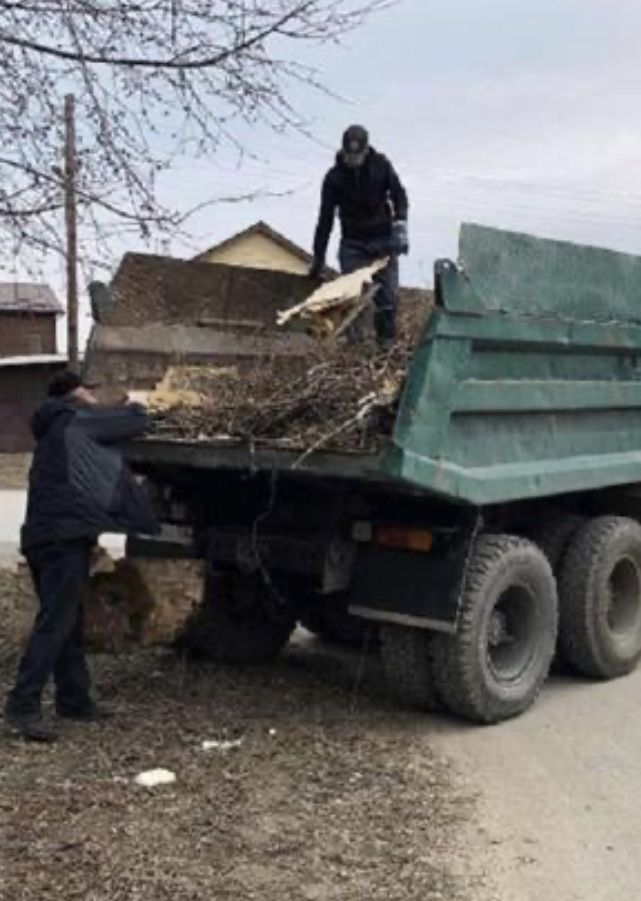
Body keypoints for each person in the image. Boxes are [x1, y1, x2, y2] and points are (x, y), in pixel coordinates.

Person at [4, 371, 157, 743]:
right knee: (56, 622)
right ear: (75, 393)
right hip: (60, 540)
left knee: (68, 619)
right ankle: (22, 705)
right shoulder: (74, 420)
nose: (93, 396)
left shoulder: (56, 427)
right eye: (90, 390)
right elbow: (135, 421)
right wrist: (141, 403)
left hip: (48, 538)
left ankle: (74, 699)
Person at [309, 124, 409, 345]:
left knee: (388, 299)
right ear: (343, 151)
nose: (353, 159)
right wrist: (318, 258)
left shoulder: (381, 165)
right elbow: (325, 220)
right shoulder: (334, 178)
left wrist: (401, 227)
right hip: (353, 244)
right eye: (349, 155)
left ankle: (385, 348)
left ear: (366, 151)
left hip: (383, 240)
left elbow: (399, 196)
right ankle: (354, 349)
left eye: (357, 155)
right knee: (352, 299)